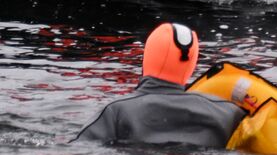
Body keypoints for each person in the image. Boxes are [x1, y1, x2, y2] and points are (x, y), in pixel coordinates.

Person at [75, 22, 243, 148]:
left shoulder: (116, 112)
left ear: (147, 57)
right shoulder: (228, 113)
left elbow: (78, 151)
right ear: (191, 63)